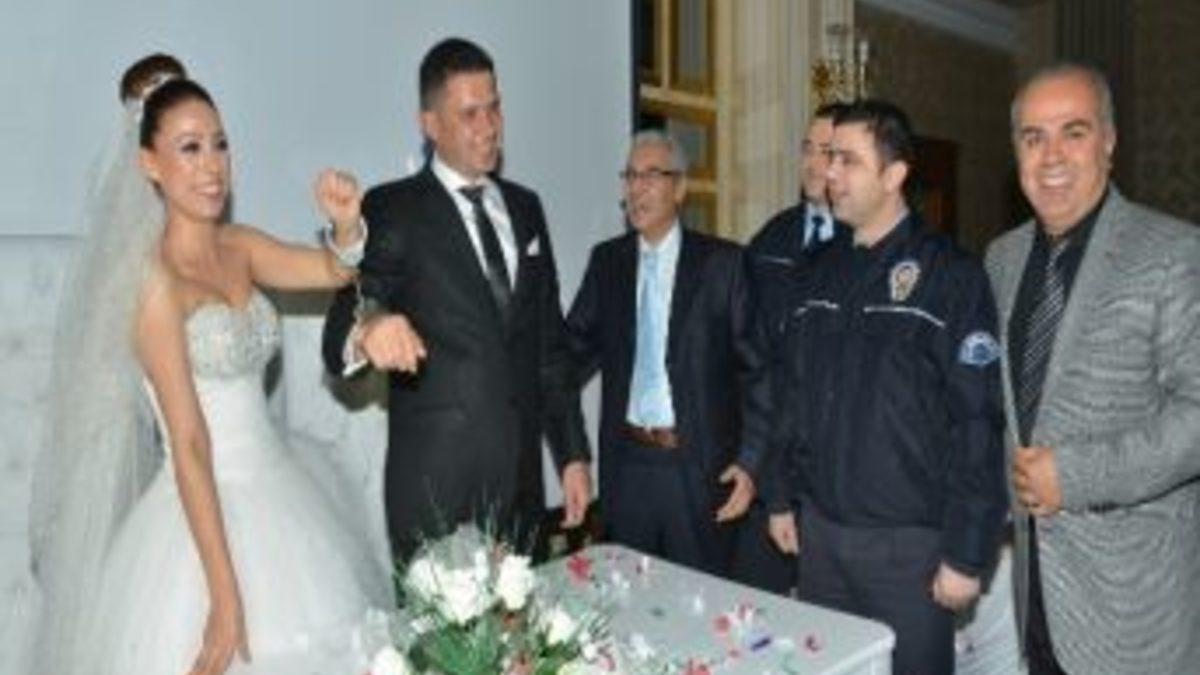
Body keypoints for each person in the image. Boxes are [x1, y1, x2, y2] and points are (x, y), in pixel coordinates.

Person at [28, 61, 390, 675]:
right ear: (150, 165)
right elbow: (191, 443)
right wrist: (224, 596)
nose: (212, 165)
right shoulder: (154, 285)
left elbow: (334, 270)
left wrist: (346, 222)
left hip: (282, 491)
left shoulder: (240, 246)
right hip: (198, 520)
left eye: (219, 144)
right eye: (190, 148)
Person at [322, 37, 591, 562]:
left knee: (530, 619)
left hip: (521, 494)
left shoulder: (527, 208)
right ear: (430, 124)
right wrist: (369, 328)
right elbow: (341, 329)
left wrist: (573, 455)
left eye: (494, 107)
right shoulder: (392, 207)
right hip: (436, 492)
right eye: (469, 113)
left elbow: (550, 347)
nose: (489, 126)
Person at [767, 100, 1007, 674]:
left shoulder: (951, 275)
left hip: (909, 552)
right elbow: (791, 394)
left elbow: (977, 421)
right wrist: (778, 495)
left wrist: (966, 553)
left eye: (847, 160)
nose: (829, 172)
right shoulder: (815, 271)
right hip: (822, 542)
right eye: (828, 157)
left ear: (895, 174)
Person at [985, 62, 1200, 674]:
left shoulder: (1174, 252)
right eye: (1033, 137)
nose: (1051, 155)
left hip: (1133, 607)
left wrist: (1077, 475)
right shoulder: (1001, 258)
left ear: (1108, 141)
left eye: (1073, 132)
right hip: (1034, 594)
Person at [564, 130, 769, 576]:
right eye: (630, 176)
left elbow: (758, 373)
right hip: (628, 468)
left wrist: (751, 462)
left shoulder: (724, 265)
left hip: (698, 470)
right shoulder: (608, 263)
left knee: (700, 601)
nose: (636, 189)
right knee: (627, 597)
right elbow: (565, 359)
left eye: (651, 175)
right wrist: (568, 449)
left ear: (680, 188)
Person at [739, 101, 848, 594]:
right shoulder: (770, 240)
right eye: (807, 149)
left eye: (828, 151)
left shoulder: (864, 242)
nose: (813, 163)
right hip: (768, 466)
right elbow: (744, 350)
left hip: (836, 476)